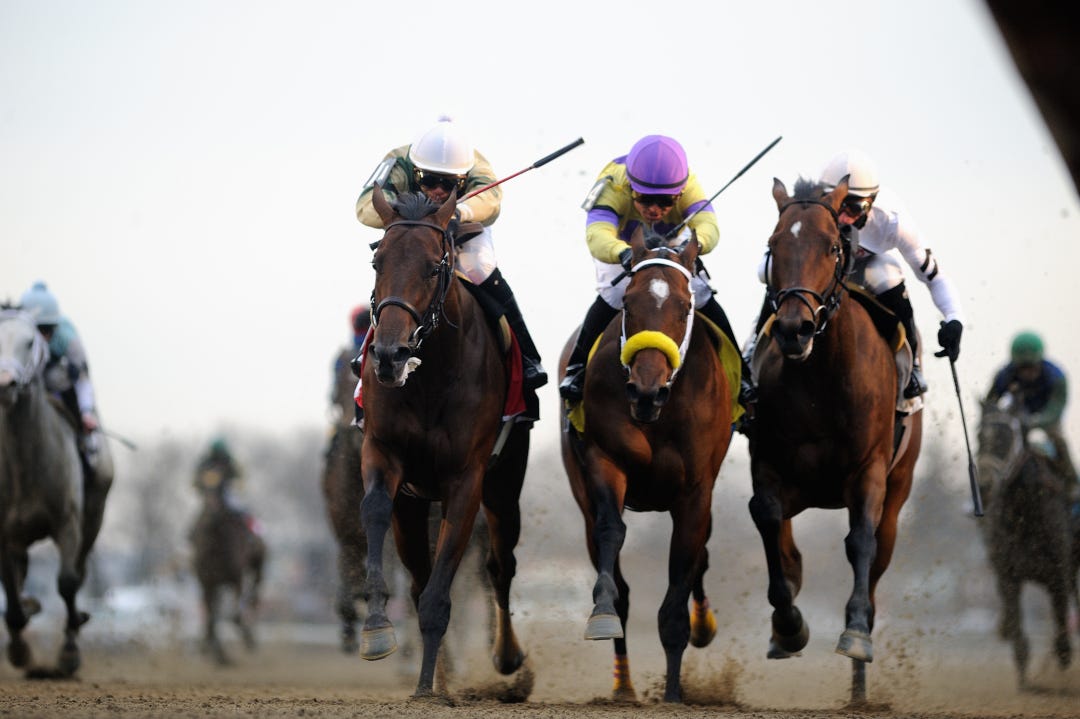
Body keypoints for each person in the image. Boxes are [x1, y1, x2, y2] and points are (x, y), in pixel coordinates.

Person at [354, 116, 547, 390]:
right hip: (410, 232)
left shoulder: (476, 162)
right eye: (428, 180)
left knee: (480, 268)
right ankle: (366, 352)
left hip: (462, 226)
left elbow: (491, 201)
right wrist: (407, 214)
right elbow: (365, 204)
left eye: (450, 184)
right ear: (415, 168)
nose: (438, 190)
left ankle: (528, 356)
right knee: (397, 273)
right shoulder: (398, 160)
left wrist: (459, 212)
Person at [559, 134, 749, 407]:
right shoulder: (613, 184)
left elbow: (709, 226)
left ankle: (743, 374)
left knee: (701, 293)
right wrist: (623, 252)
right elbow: (597, 234)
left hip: (672, 248)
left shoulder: (689, 184)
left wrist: (693, 246)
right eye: (645, 199)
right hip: (623, 247)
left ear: (680, 193)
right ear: (630, 187)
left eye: (666, 202)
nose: (654, 210)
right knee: (615, 294)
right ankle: (576, 368)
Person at [986, 331, 1079, 505]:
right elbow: (991, 404)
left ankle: (1072, 484)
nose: (1027, 373)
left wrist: (1035, 421)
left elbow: (1056, 408)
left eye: (1031, 367)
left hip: (1046, 420)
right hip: (1015, 418)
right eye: (1022, 368)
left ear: (1039, 362)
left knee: (1058, 440)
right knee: (992, 445)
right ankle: (984, 490)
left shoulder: (1056, 376)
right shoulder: (1004, 376)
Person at [19, 281, 104, 467]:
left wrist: (86, 412)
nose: (42, 337)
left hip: (58, 385)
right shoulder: (15, 337)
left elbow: (82, 378)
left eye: (47, 329)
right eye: (37, 330)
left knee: (59, 378)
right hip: (30, 386)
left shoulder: (67, 336)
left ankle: (87, 445)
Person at [330, 304, 370, 427]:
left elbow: (335, 395)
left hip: (350, 424)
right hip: (382, 427)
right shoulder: (385, 354)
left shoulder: (343, 357)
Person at [193, 436, 247, 513]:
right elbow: (197, 482)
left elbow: (239, 479)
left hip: (227, 495)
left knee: (240, 511)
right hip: (211, 497)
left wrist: (234, 485)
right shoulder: (206, 464)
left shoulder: (229, 463)